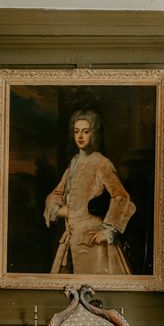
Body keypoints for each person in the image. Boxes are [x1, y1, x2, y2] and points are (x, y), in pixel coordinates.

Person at [44, 109, 136, 274]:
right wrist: (57, 209)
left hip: (94, 243)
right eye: (76, 131)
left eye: (85, 132)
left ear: (93, 134)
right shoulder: (73, 163)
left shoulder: (102, 163)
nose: (80, 136)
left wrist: (108, 231)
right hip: (72, 240)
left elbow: (121, 197)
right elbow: (56, 194)